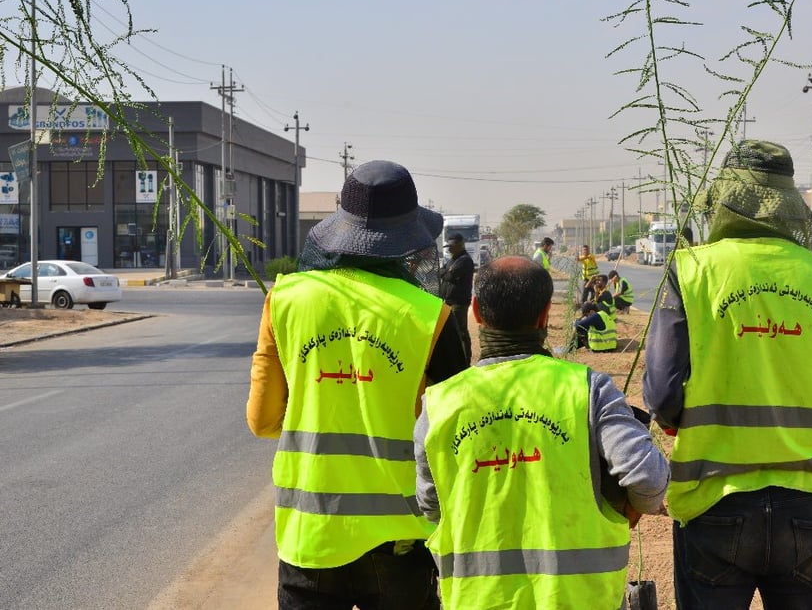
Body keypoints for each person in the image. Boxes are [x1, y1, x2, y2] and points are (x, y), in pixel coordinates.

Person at [643, 140, 812, 609]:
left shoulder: (691, 270)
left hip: (712, 501)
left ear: (724, 200)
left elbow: (662, 396)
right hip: (805, 507)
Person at [247, 160, 469, 610]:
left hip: (310, 537)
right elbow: (453, 439)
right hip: (402, 543)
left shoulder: (285, 300)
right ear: (408, 239)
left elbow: (264, 421)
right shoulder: (430, 317)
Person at [414, 256, 669, 609]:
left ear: (475, 310)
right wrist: (633, 509)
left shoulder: (439, 403)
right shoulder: (586, 389)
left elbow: (431, 507)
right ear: (545, 314)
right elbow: (647, 476)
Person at [441, 233, 474, 365]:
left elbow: (449, 276)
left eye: (452, 246)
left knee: (461, 332)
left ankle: (465, 361)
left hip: (458, 302)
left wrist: (446, 273)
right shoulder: (452, 260)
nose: (449, 249)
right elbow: (442, 272)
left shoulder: (465, 260)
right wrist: (447, 272)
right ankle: (454, 359)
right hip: (448, 301)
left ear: (460, 246)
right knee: (451, 332)